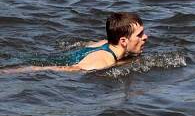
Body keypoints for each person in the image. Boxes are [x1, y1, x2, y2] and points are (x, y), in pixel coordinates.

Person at [1, 12, 148, 73]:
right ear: (123, 41)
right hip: (48, 63)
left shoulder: (106, 43)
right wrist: (13, 71)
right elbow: (69, 69)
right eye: (139, 35)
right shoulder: (102, 61)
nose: (145, 37)